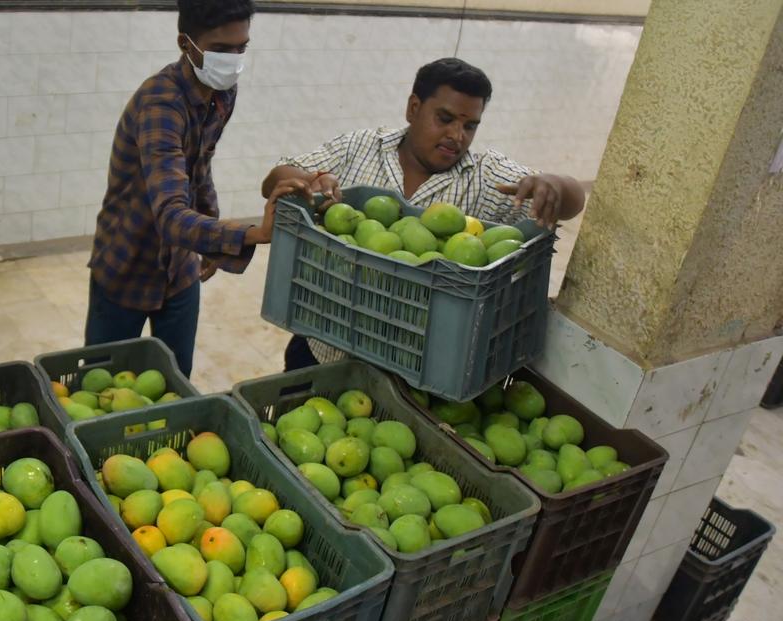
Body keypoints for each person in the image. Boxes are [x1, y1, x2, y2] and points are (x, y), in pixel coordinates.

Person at [262, 57, 586, 371]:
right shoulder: (361, 146)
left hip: (409, 362)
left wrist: (554, 185)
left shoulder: (484, 175)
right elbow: (274, 179)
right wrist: (309, 181)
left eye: (469, 126)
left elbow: (572, 201)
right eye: (445, 119)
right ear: (413, 108)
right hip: (324, 342)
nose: (457, 136)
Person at [86, 0, 307, 377]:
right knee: (102, 386)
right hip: (128, 264)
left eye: (242, 48)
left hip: (180, 268)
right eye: (222, 50)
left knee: (174, 383)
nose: (234, 61)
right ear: (186, 44)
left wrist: (210, 236)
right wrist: (255, 234)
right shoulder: (161, 105)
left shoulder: (222, 93)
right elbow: (171, 216)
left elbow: (198, 169)